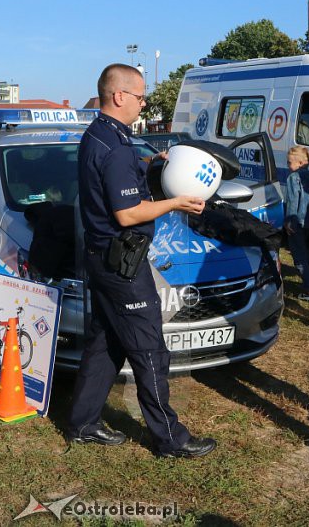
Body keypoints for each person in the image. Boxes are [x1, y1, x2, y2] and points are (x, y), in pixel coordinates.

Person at [67, 63, 216, 458]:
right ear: (119, 96)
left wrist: (150, 165)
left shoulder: (101, 136)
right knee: (149, 347)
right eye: (140, 96)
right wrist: (177, 202)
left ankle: (82, 422)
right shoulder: (114, 146)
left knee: (106, 342)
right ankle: (170, 438)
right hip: (121, 265)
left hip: (102, 258)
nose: (143, 103)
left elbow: (114, 181)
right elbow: (127, 213)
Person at [284, 146, 309, 300]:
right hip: (308, 222)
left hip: (296, 222)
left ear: (299, 163)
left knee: (298, 255)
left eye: (289, 162)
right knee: (304, 252)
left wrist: (289, 221)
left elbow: (293, 200)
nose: (287, 166)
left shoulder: (293, 178)